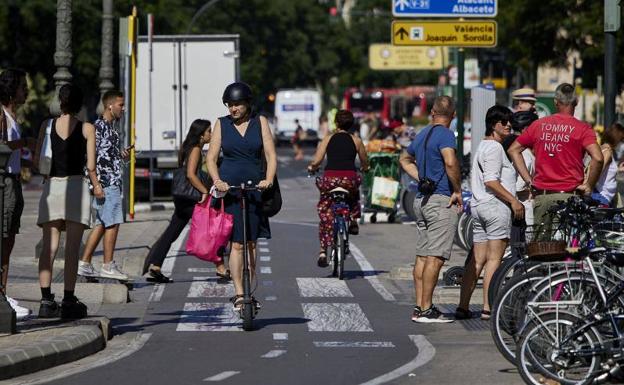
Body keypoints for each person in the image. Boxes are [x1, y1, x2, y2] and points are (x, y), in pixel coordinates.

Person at [207, 82, 276, 311]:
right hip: (231, 191)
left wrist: (268, 178)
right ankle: (239, 293)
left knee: (251, 244)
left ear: (247, 104)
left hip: (255, 189)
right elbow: (211, 157)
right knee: (236, 244)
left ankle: (250, 289)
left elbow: (270, 154)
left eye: (237, 104)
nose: (233, 109)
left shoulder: (260, 122)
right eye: (230, 105)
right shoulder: (221, 124)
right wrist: (218, 181)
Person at [35, 84, 98, 319]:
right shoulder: (87, 129)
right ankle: (69, 299)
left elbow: (38, 161)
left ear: (59, 102)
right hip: (76, 187)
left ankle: (45, 300)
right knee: (72, 248)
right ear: (80, 104)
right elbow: (90, 165)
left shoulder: (47, 125)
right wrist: (98, 185)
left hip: (53, 186)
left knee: (48, 247)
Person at [456, 105, 525, 320]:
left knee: (477, 260)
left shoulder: (482, 146)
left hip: (478, 206)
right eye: (503, 122)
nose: (508, 125)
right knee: (494, 260)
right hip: (495, 206)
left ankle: (463, 306)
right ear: (493, 125)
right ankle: (488, 307)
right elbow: (491, 181)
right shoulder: (495, 148)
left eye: (510, 122)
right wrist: (514, 201)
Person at [399, 95, 462, 323]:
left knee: (423, 256)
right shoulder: (446, 135)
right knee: (435, 258)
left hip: (422, 199)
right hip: (440, 200)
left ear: (433, 113)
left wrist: (421, 177)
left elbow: (404, 159)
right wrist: (457, 189)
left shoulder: (423, 133)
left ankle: (419, 306)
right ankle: (426, 309)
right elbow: (450, 161)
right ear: (453, 116)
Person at [508, 83, 603, 235]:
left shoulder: (538, 125)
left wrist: (528, 180)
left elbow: (513, 150)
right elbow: (598, 158)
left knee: (542, 251)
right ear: (576, 102)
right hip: (570, 197)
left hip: (543, 196)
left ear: (555, 102)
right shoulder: (583, 128)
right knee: (571, 251)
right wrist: (589, 185)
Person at [145, 119, 231, 282]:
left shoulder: (187, 147)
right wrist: (204, 191)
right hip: (191, 197)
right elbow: (191, 174)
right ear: (200, 135)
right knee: (210, 230)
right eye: (208, 131)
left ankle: (155, 266)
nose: (211, 134)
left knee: (172, 231)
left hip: (181, 196)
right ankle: (220, 268)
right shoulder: (196, 150)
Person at [77, 90, 130, 280]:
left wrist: (121, 155)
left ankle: (84, 263)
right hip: (107, 184)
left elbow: (106, 157)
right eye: (120, 105)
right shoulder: (99, 128)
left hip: (108, 181)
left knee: (101, 223)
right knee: (113, 223)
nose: (123, 109)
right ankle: (108, 265)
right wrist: (96, 184)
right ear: (110, 105)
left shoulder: (112, 128)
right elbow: (91, 159)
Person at [307, 109, 369, 267]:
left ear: (336, 123)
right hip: (349, 179)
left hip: (330, 180)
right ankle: (354, 218)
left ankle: (322, 251)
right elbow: (364, 162)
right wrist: (365, 168)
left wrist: (312, 168)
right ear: (351, 124)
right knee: (354, 192)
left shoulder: (328, 139)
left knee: (325, 210)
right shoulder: (356, 140)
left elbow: (317, 160)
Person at [0, 69, 37, 320]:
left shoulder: (12, 116)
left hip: (13, 181)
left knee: (9, 240)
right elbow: (1, 147)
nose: (26, 91)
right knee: (3, 239)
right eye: (23, 86)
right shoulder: (1, 115)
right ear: (12, 90)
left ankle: (3, 293)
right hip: (4, 184)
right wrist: (25, 143)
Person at [591, 122, 624, 206]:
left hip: (601, 196)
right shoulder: (607, 152)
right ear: (617, 138)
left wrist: (618, 169)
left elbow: (604, 170)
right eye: (622, 140)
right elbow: (597, 170)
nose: (621, 143)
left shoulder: (601, 148)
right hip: (601, 197)